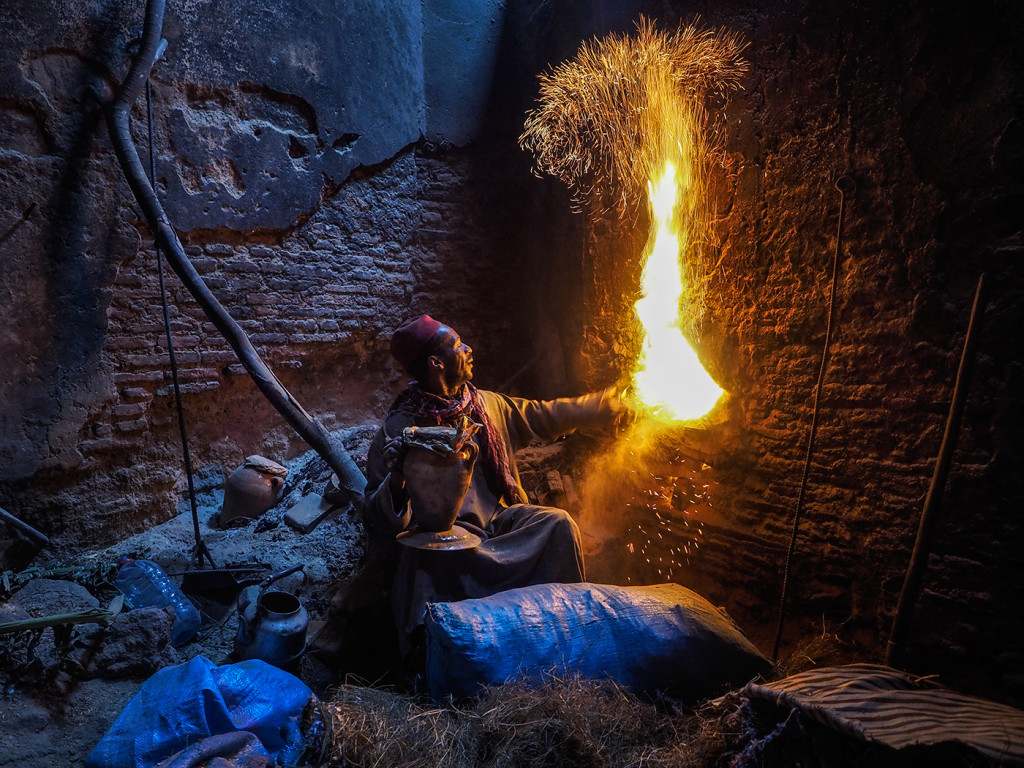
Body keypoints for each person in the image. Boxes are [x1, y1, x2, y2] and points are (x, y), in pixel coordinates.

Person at [363, 314, 626, 663]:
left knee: (557, 524)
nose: (469, 349)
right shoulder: (400, 429)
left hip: (499, 528)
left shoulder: (486, 406)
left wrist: (596, 407)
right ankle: (439, 660)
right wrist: (397, 477)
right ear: (436, 362)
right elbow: (377, 518)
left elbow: (540, 416)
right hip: (446, 544)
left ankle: (567, 632)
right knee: (421, 562)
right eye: (458, 345)